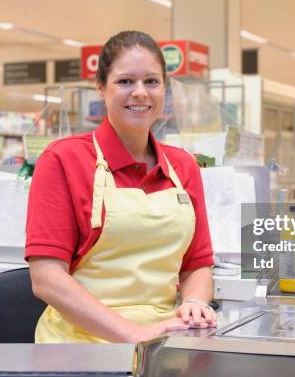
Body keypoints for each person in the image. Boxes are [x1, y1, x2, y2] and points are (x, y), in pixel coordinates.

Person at [25, 30, 216, 343]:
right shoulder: (63, 159)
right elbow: (45, 278)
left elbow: (197, 264)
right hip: (81, 344)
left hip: (163, 340)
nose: (140, 92)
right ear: (101, 87)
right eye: (125, 81)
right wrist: (133, 333)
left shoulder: (184, 167)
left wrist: (195, 303)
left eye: (152, 81)